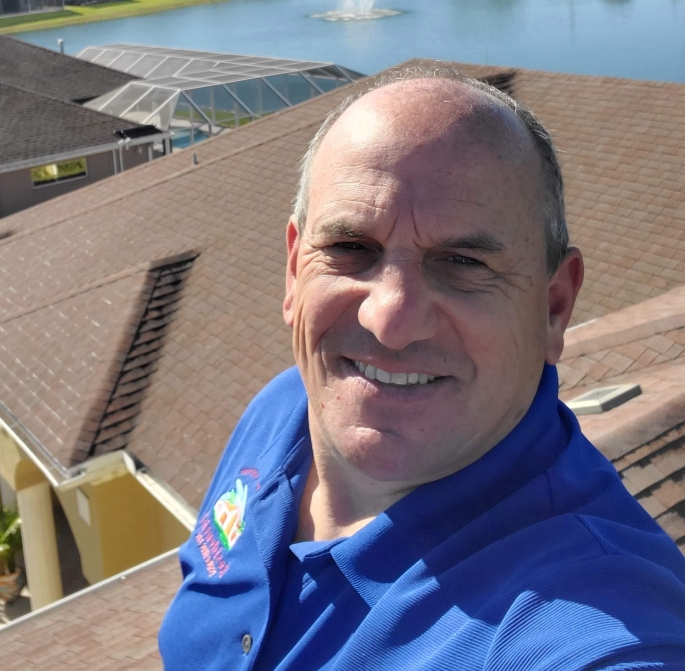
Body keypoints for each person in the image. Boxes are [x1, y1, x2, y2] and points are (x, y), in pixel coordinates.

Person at [159, 68, 685, 670]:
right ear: (293, 270)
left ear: (554, 307)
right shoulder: (283, 412)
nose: (391, 320)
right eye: (351, 248)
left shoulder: (594, 618)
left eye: (461, 262)